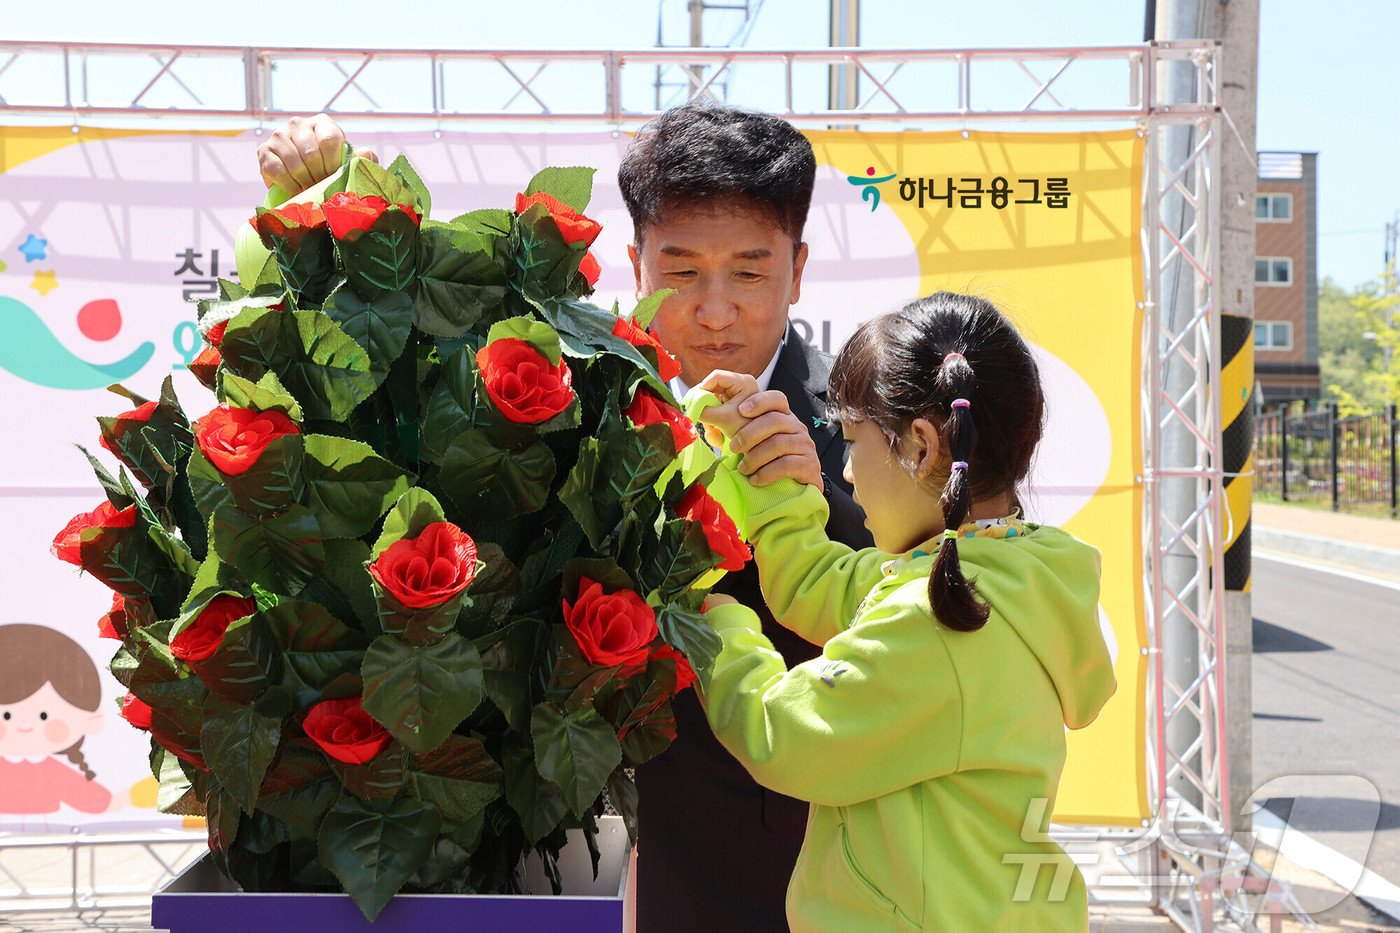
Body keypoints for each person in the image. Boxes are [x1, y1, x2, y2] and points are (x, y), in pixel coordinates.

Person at [256, 101, 873, 931]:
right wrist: (328, 202)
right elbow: (396, 376)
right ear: (637, 263)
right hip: (561, 871)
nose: (715, 310)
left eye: (750, 273)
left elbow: (923, 619)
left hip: (788, 872)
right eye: (682, 270)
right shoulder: (569, 395)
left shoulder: (869, 429)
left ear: (798, 270)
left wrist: (826, 505)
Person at [692, 292, 1118, 931]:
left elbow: (785, 733)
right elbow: (828, 583)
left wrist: (712, 621)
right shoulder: (998, 578)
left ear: (920, 447)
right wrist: (780, 490)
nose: (846, 470)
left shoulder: (941, 622)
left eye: (852, 439)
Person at [0, 624, 115, 818]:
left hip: (56, 837)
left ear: (90, 719)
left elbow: (96, 800)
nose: (25, 723)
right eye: (7, 715)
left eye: (43, 716)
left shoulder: (52, 772)